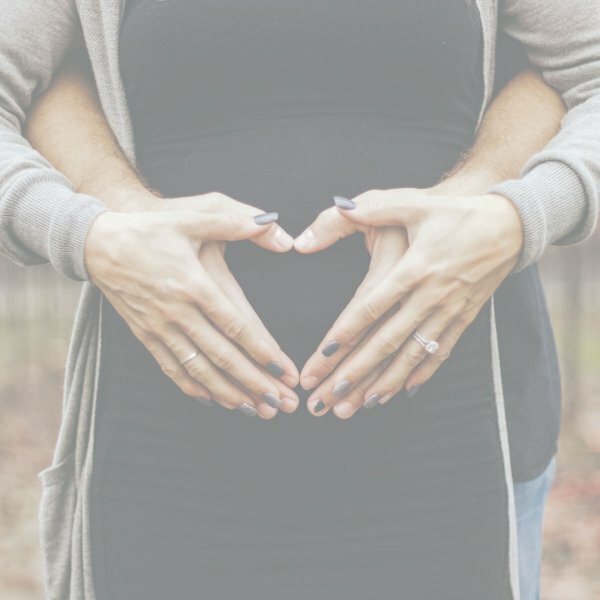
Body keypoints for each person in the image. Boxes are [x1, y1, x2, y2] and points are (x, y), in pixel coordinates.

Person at [1, 2, 599, 599]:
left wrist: (514, 213)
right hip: (162, 463)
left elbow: (582, 69)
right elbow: (26, 86)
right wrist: (88, 232)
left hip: (450, 456)